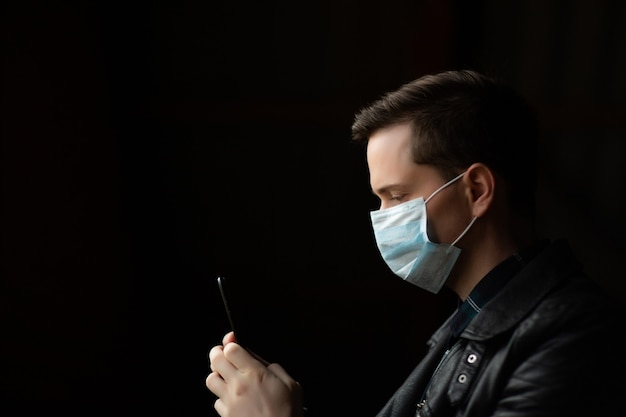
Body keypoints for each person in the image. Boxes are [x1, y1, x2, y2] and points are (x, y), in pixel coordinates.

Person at [205, 69, 626, 416]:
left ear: (477, 189)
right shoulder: (464, 331)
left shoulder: (573, 336)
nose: (384, 217)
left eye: (398, 196)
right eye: (379, 199)